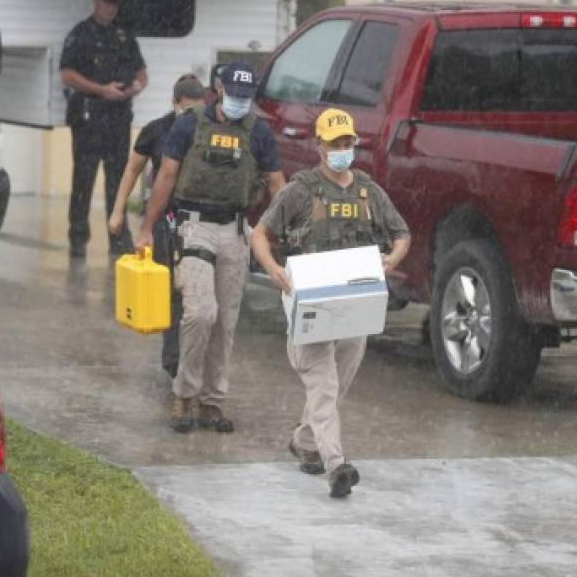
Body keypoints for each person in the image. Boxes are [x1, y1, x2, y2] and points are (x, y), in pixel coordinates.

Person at [249, 108, 411, 498]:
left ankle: (305, 441)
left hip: (355, 306)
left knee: (335, 389)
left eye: (347, 143)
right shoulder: (301, 190)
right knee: (324, 385)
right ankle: (336, 465)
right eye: (334, 143)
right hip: (310, 306)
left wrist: (393, 258)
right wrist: (273, 269)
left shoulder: (368, 191)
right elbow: (260, 234)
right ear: (319, 145)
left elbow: (401, 233)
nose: (341, 149)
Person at [137, 61, 285, 434]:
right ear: (218, 90)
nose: (239, 103)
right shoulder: (189, 124)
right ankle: (185, 394)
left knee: (226, 322)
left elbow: (277, 185)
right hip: (194, 227)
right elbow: (166, 176)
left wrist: (273, 232)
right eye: (234, 95)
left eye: (246, 98)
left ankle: (212, 402)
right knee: (200, 312)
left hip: (235, 230)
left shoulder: (259, 132)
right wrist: (147, 228)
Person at [109, 73, 207, 378]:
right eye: (186, 109)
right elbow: (132, 170)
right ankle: (173, 361)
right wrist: (118, 211)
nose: (191, 116)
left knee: (199, 297)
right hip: (165, 221)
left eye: (197, 109)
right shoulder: (156, 131)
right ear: (175, 103)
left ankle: (193, 361)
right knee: (173, 293)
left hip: (200, 221)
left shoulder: (209, 130)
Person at [59, 0, 149, 258]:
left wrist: (136, 86)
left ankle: (118, 239)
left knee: (118, 181)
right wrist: (101, 90)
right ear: (96, 0)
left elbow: (141, 72)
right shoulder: (81, 34)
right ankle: (77, 238)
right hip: (89, 117)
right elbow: (67, 74)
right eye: (106, 2)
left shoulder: (124, 35)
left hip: (118, 118)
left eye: (114, 4)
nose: (110, 8)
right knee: (83, 181)